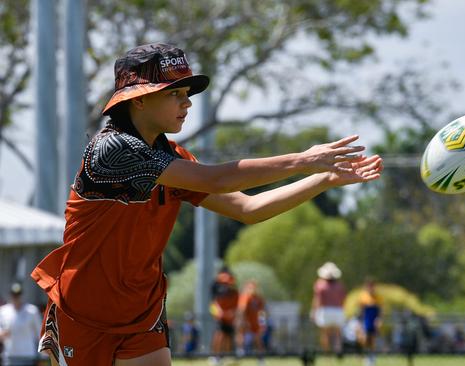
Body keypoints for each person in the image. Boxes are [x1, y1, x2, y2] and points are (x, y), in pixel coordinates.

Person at [30, 43, 383, 366]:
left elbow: (248, 209)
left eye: (188, 93)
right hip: (85, 312)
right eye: (175, 94)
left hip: (141, 310)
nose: (187, 103)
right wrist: (304, 159)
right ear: (138, 99)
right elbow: (217, 179)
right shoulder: (112, 150)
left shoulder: (174, 159)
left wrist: (324, 179)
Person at [0, 283, 42, 366]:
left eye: (18, 295)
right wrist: (3, 334)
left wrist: (42, 354)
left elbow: (39, 333)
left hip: (27, 354)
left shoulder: (32, 311)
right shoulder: (3, 311)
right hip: (10, 354)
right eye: (14, 295)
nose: (16, 298)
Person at [311, 261, 346, 355]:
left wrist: (314, 312)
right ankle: (338, 351)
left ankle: (327, 352)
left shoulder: (320, 285)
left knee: (325, 333)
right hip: (338, 311)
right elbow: (343, 300)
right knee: (338, 333)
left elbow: (317, 300)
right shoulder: (340, 285)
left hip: (325, 311)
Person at [209, 270, 239, 365]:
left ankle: (225, 356)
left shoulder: (235, 293)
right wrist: (219, 313)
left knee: (228, 338)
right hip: (220, 319)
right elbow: (213, 305)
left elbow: (237, 306)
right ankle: (215, 356)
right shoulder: (219, 292)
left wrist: (232, 313)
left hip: (230, 319)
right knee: (219, 336)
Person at [236, 281, 266, 364]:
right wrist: (243, 321)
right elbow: (242, 310)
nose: (252, 289)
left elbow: (262, 313)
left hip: (255, 323)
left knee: (258, 340)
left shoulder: (259, 298)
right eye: (250, 287)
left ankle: (261, 359)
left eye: (253, 287)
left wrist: (262, 324)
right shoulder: (245, 297)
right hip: (246, 323)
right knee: (241, 336)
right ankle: (240, 352)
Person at [358, 278, 382, 366]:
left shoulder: (378, 297)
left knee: (373, 340)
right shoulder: (363, 297)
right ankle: (366, 356)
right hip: (366, 320)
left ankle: (372, 357)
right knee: (365, 339)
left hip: (374, 320)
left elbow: (380, 311)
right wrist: (360, 323)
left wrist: (379, 320)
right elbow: (361, 311)